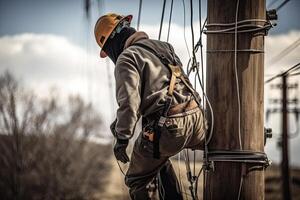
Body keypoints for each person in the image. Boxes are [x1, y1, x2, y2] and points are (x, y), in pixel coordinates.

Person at [94, 13, 207, 200]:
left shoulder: (126, 59)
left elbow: (130, 103)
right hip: (197, 119)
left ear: (112, 42)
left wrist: (122, 138)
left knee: (137, 180)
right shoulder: (164, 47)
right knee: (158, 161)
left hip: (170, 128)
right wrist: (121, 123)